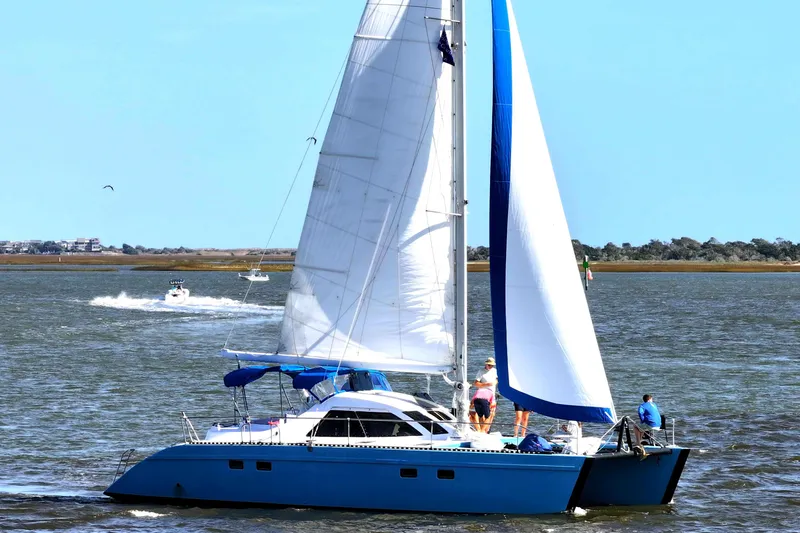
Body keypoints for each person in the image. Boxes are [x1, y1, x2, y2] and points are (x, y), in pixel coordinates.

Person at [472, 357, 498, 433]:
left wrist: (495, 382)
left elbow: (497, 379)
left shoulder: (495, 371)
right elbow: (476, 383)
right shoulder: (481, 371)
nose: (490, 366)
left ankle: (486, 430)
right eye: (489, 365)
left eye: (492, 365)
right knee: (482, 414)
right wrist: (486, 384)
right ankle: (482, 430)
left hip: (492, 394)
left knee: (492, 413)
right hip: (483, 394)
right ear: (486, 364)